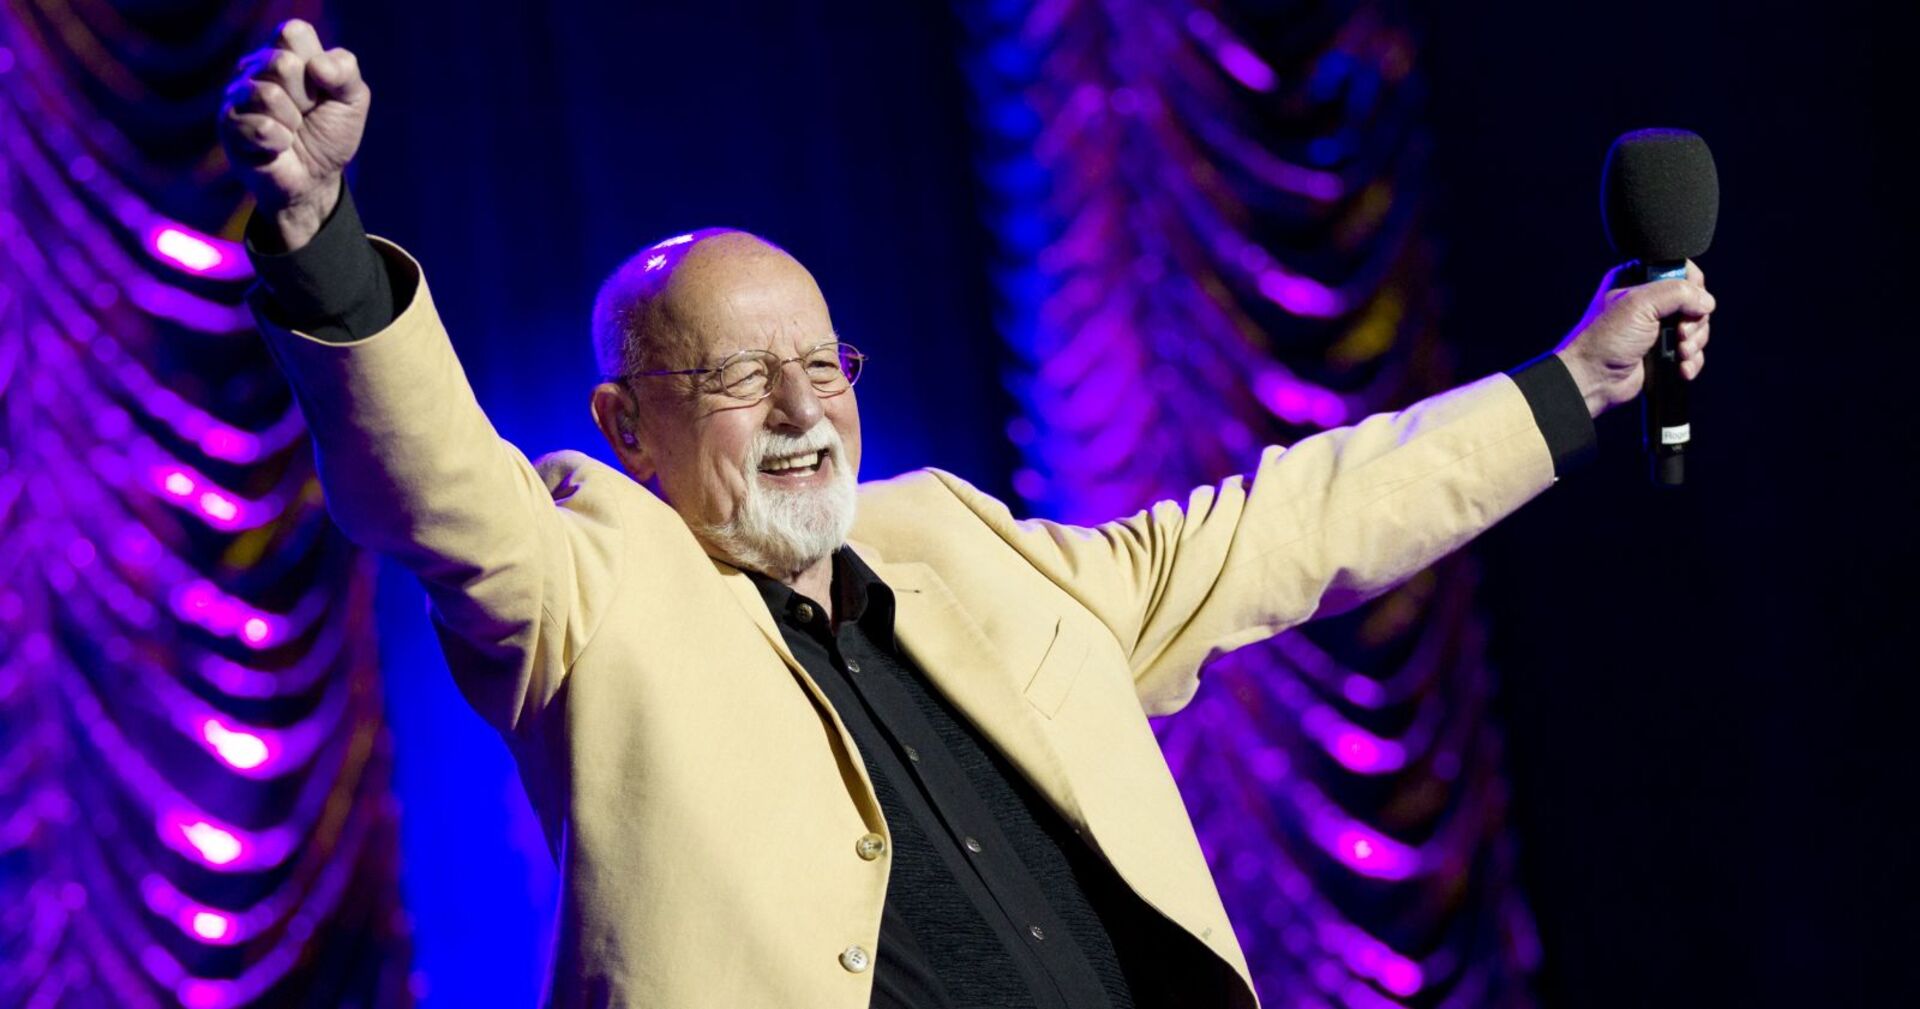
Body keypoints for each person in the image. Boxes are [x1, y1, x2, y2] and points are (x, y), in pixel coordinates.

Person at [219, 19, 1713, 1009]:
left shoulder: (950, 540)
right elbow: (434, 485)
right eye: (739, 377)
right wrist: (317, 235)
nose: (803, 410)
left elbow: (1294, 522)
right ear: (628, 426)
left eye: (824, 365)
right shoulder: (590, 586)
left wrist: (1575, 382)